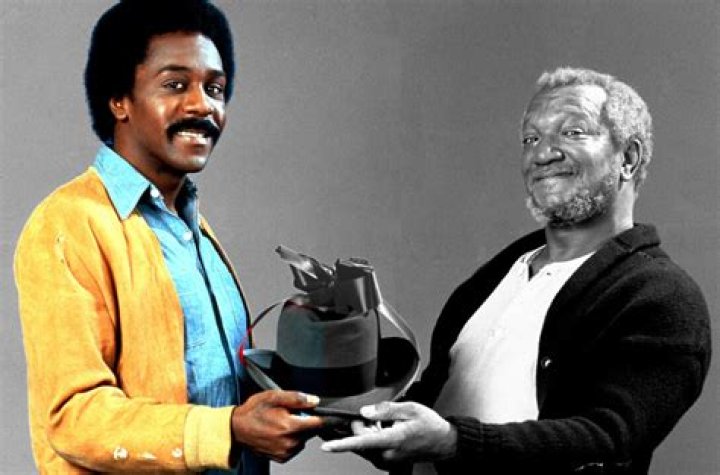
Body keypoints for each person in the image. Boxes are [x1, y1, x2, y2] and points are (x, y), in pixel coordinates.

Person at [321, 67, 712, 474]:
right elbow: (427, 414)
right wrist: (330, 415)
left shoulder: (662, 296)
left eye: (572, 132)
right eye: (531, 139)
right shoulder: (494, 279)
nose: (542, 154)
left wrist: (454, 442)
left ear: (628, 158)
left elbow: (608, 436)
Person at [14, 1, 324, 473]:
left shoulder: (192, 229)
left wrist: (319, 386)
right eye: (175, 85)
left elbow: (214, 384)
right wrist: (228, 430)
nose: (203, 105)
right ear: (119, 100)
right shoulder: (68, 224)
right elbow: (73, 416)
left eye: (215, 88)